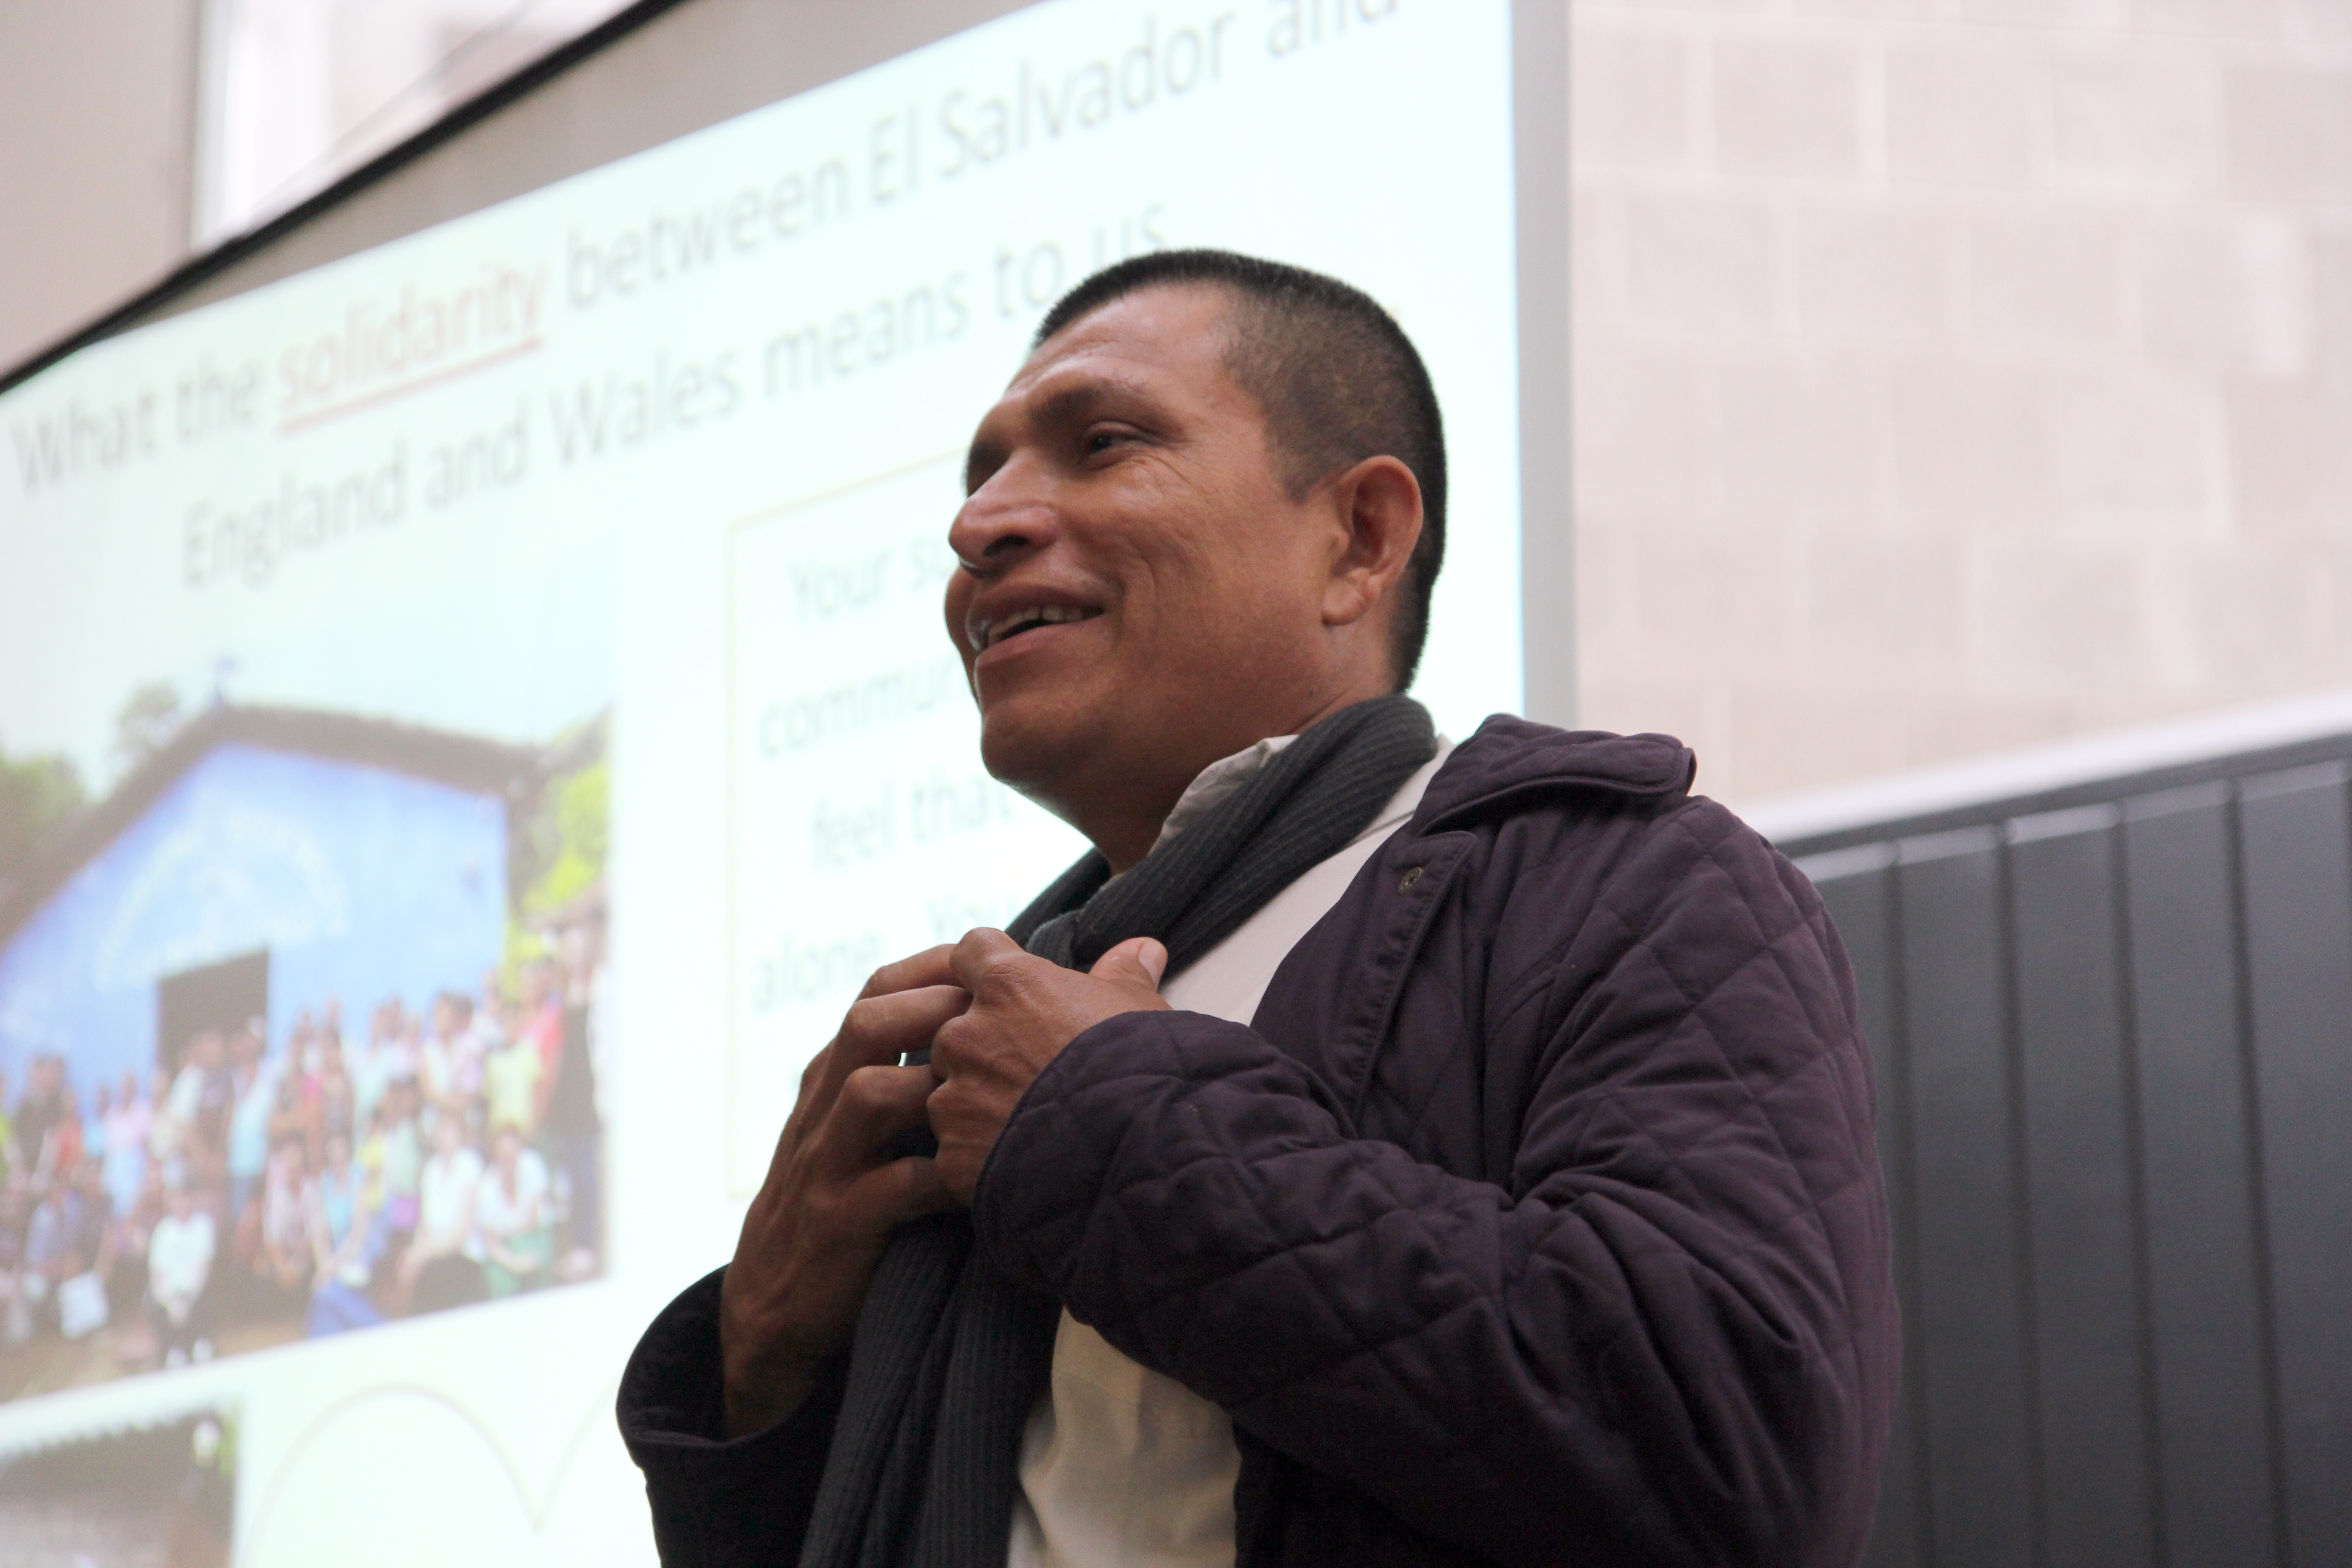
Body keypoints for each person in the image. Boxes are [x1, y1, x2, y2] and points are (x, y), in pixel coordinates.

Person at [617, 251, 1898, 1567]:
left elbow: (1736, 1461)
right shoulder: (980, 1035)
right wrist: (764, 1354)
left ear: (1359, 541)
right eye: (981, 477)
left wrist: (1107, 1131)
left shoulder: (1627, 888)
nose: (981, 525)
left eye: (1101, 445)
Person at [472, 1126, 553, 1298]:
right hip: (503, 1248)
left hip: (534, 1235)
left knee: (538, 1267)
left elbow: (533, 1220)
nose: (508, 1161)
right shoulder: (486, 1187)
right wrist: (514, 1263)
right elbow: (490, 1242)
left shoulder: (532, 1164)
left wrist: (508, 1231)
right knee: (500, 1280)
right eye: (503, 1157)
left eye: (512, 1155)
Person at [147, 1175, 216, 1367]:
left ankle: (201, 1344)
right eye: (177, 1199)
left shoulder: (203, 1224)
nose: (182, 1203)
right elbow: (156, 1276)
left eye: (185, 1197)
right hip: (170, 1294)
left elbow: (205, 1268)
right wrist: (172, 1304)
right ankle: (174, 1349)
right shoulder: (162, 1231)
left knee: (202, 1302)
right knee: (155, 1305)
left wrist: (187, 1301)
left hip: (195, 1290)